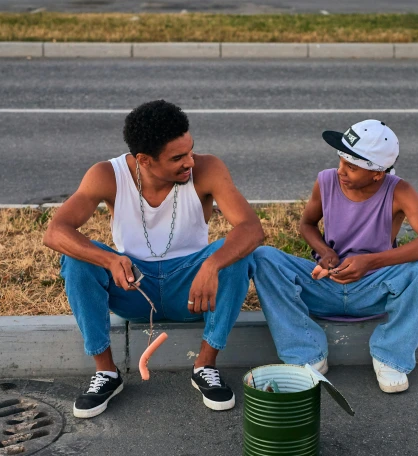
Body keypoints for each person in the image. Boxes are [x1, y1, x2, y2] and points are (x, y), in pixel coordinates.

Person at [43, 100, 263, 418]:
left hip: (192, 289)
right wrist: (108, 260)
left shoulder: (208, 169)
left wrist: (212, 265)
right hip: (134, 286)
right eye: (177, 158)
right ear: (144, 160)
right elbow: (55, 232)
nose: (189, 162)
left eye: (190, 151)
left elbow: (251, 228)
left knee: (236, 255)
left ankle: (205, 366)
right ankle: (106, 373)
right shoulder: (108, 174)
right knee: (76, 260)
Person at [252, 120, 418, 393]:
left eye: (352, 167)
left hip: (374, 289)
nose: (341, 171)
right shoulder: (326, 180)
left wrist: (371, 262)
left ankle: (391, 356)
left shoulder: (399, 191)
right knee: (262, 257)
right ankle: (307, 354)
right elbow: (307, 225)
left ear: (378, 173)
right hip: (326, 284)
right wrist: (325, 252)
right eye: (341, 161)